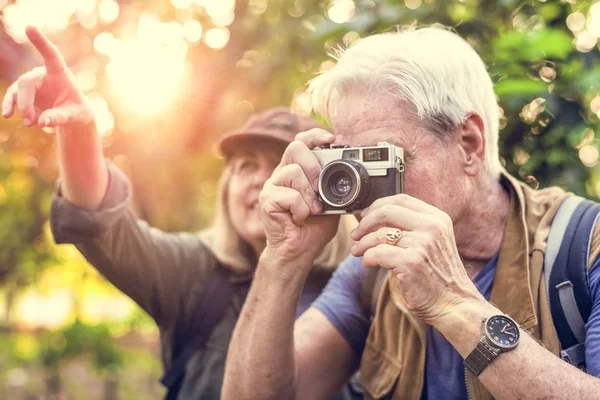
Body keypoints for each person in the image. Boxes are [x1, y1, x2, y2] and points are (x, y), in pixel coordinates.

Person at [222, 25, 600, 400]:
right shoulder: (370, 272)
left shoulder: (585, 247)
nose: (363, 195)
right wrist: (283, 256)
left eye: (384, 160)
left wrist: (454, 304)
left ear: (469, 143)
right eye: (351, 163)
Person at [2, 26, 356, 399]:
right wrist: (81, 131)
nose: (260, 182)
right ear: (227, 188)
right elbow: (102, 227)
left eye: (279, 166)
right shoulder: (193, 272)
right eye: (245, 167)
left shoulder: (354, 287)